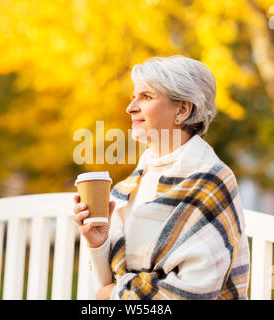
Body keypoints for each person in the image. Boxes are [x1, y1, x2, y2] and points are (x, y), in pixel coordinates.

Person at [73, 55, 250, 300]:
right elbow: (106, 283)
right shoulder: (129, 187)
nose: (131, 107)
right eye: (134, 96)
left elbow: (195, 291)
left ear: (183, 110)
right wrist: (99, 242)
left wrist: (114, 295)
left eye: (146, 97)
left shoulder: (211, 181)